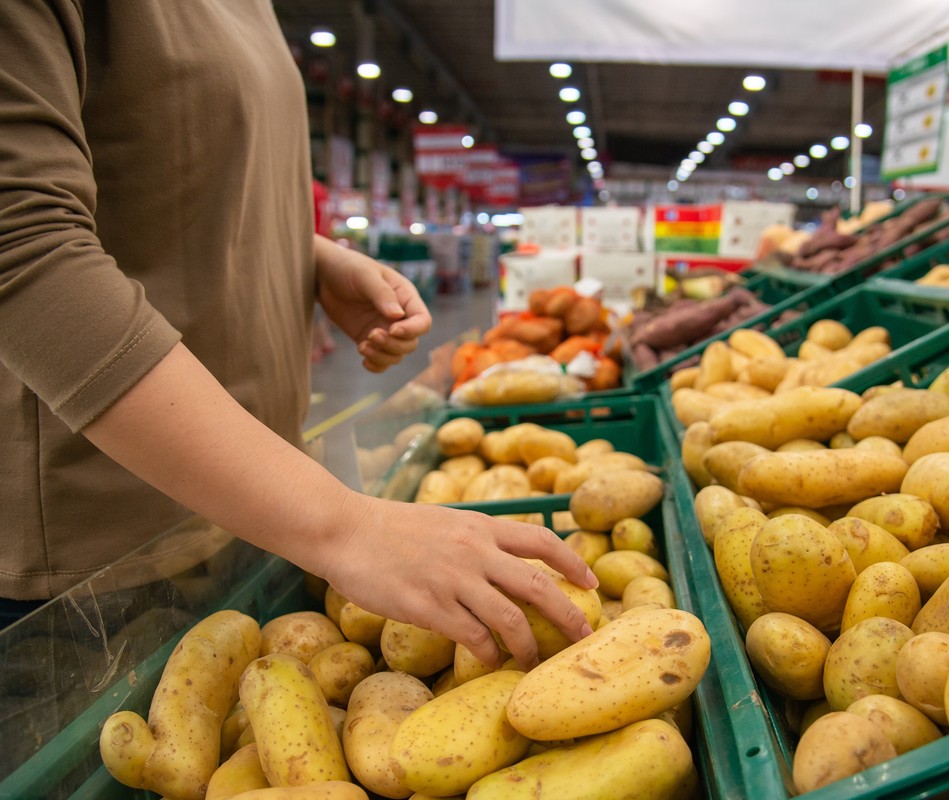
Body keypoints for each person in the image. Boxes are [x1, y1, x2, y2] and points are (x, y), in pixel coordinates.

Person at [0, 1, 595, 671]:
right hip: (99, 576)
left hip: (256, 517)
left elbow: (165, 174)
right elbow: (22, 247)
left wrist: (304, 257)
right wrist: (346, 527)